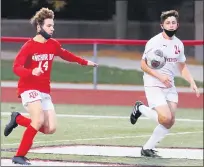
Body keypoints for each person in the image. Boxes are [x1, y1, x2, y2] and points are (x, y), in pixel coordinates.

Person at [4, 7, 97, 165]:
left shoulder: (53, 44)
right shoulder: (28, 46)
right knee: (38, 119)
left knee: (50, 128)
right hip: (28, 88)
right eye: (49, 26)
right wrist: (32, 72)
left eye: (53, 26)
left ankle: (18, 118)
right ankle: (18, 156)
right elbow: (16, 67)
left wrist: (84, 62)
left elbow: (66, 55)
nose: (52, 28)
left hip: (44, 90)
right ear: (39, 27)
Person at [130, 10, 200, 157]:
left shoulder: (178, 44)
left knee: (170, 121)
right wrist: (160, 77)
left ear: (177, 25)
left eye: (173, 22)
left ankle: (147, 148)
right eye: (168, 22)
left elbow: (182, 66)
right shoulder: (154, 42)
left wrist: (192, 82)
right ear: (162, 25)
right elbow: (143, 65)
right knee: (165, 118)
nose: (171, 25)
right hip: (154, 83)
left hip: (170, 85)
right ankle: (140, 108)